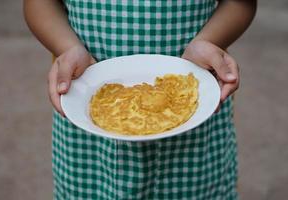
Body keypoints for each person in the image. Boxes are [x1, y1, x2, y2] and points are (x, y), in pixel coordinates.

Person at [24, 0, 256, 199]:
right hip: (85, 125)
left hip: (197, 127)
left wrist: (210, 42)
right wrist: (67, 47)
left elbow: (240, 3)